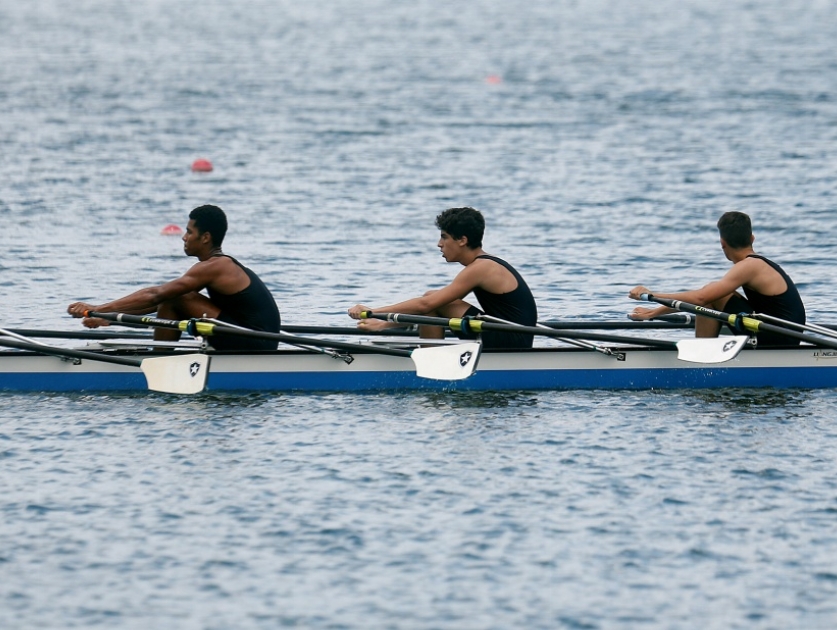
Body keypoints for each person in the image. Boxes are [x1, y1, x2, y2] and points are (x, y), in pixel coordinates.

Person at [67, 204, 281, 350]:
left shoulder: (217, 266)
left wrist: (97, 308)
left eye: (189, 232)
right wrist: (110, 318)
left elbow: (155, 295)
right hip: (248, 335)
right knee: (176, 298)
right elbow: (161, 302)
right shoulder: (213, 265)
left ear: (205, 237)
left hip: (256, 342)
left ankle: (159, 359)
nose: (184, 237)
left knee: (179, 296)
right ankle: (160, 356)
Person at [348, 206, 538, 349]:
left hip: (512, 341)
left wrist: (374, 312)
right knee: (434, 297)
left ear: (462, 240)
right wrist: (384, 324)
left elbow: (426, 305)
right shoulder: (483, 264)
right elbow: (431, 305)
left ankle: (432, 366)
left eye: (444, 237)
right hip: (504, 332)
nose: (439, 244)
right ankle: (431, 359)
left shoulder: (482, 268)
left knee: (431, 300)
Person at [628, 210, 805, 346]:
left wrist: (652, 295)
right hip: (781, 332)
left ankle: (703, 360)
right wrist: (654, 313)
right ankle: (706, 353)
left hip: (779, 339)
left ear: (723, 244)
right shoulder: (758, 264)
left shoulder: (749, 267)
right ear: (752, 238)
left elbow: (701, 298)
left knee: (713, 293)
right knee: (712, 293)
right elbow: (702, 299)